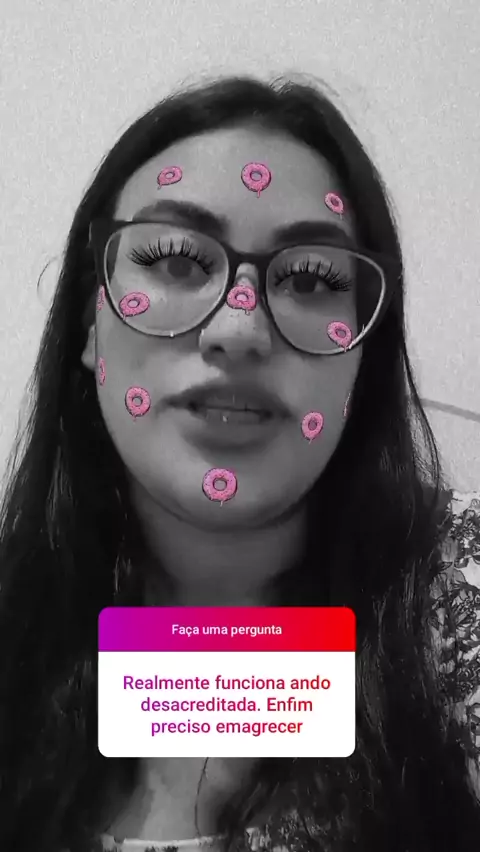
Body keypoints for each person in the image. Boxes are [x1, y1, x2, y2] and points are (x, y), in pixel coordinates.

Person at [0, 73, 479, 852]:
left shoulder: (457, 587)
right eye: (174, 260)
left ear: (362, 354)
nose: (239, 330)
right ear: (91, 322)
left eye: (312, 279)